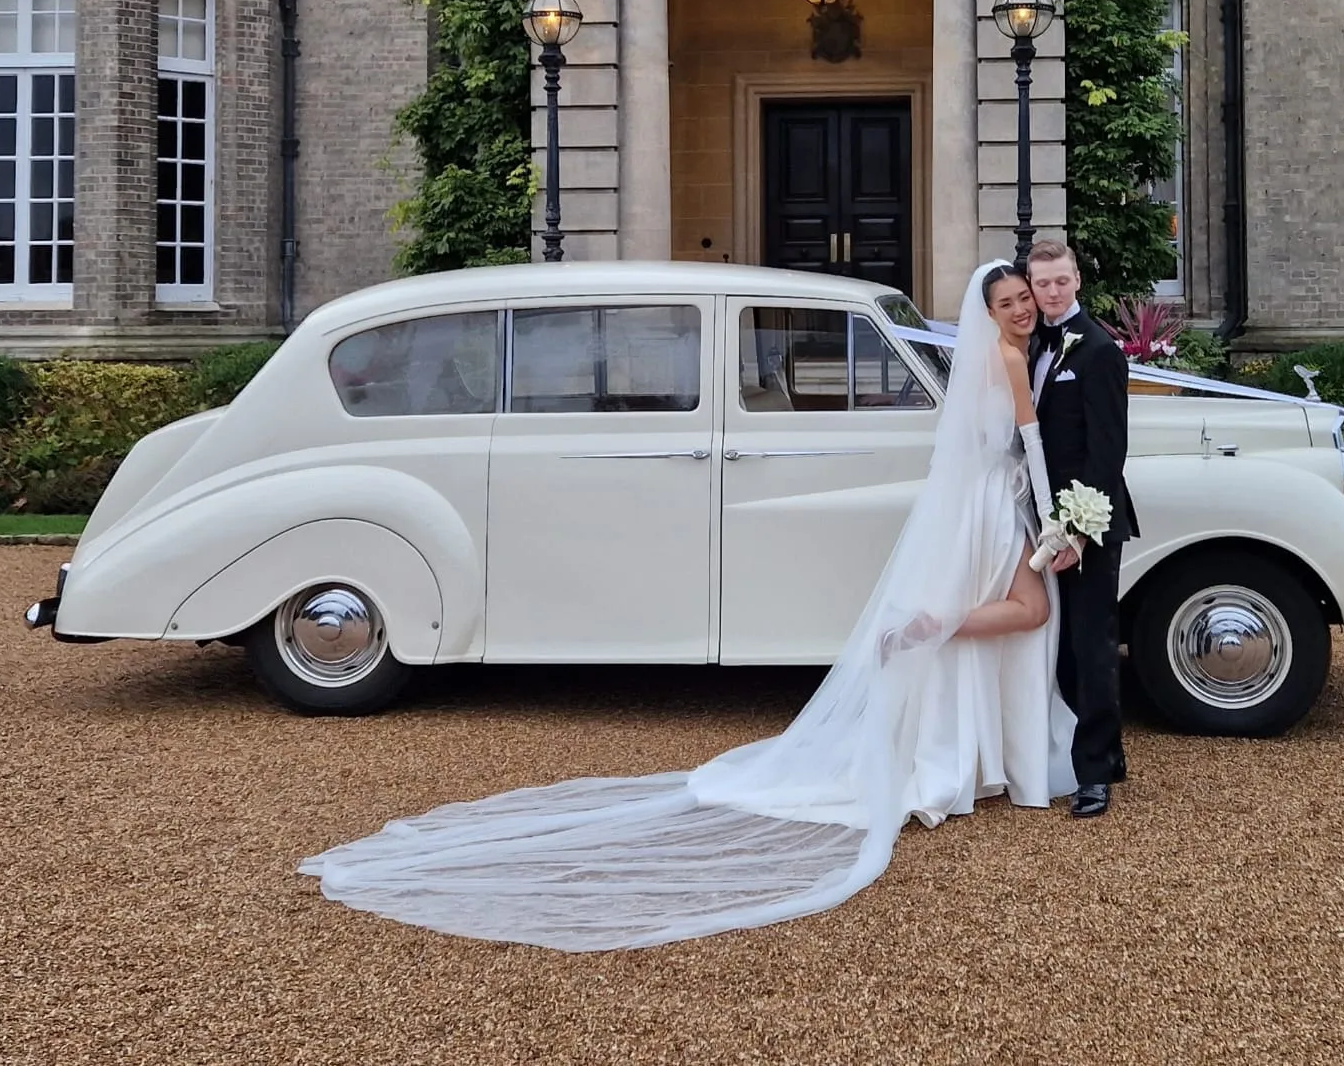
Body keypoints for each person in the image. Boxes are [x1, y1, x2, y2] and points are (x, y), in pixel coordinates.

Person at [299, 260, 1077, 952]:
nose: (1020, 307)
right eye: (1011, 297)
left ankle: (947, 682)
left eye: (1026, 297)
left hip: (980, 506)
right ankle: (943, 667)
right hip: (988, 505)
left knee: (995, 605)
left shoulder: (1001, 357)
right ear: (997, 307)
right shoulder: (1006, 360)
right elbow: (1025, 446)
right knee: (1013, 607)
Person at [1024, 240, 1140, 818]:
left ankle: (1095, 772)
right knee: (1055, 644)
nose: (1051, 292)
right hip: (1038, 516)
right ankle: (1078, 754)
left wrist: (1078, 530)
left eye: (1060, 282)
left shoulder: (1098, 350)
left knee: (1091, 645)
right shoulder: (1030, 347)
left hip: (1087, 522)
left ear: (1076, 282)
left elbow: (1107, 452)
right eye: (1041, 283)